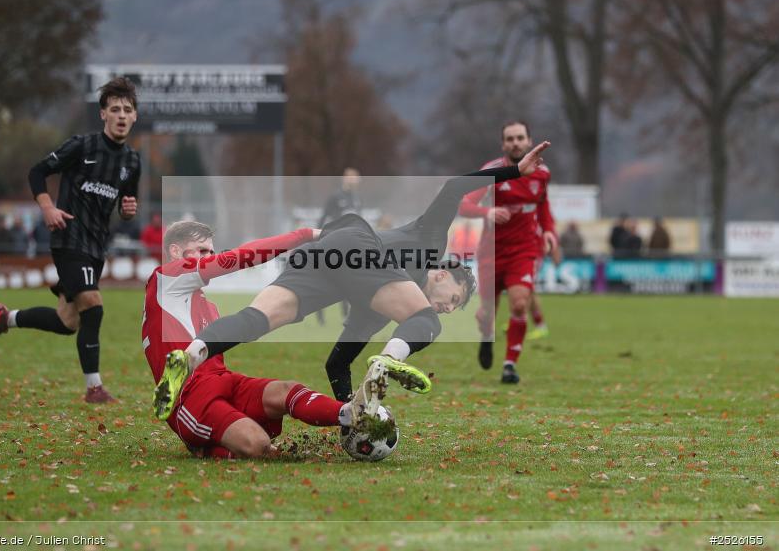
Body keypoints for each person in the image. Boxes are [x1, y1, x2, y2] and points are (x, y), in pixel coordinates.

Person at [155, 141, 549, 409]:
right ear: (444, 275)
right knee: (426, 321)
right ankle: (387, 362)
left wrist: (349, 412)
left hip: (325, 256)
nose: (449, 307)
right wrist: (514, 171)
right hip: (355, 241)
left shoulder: (377, 309)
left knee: (256, 320)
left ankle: (190, 355)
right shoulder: (430, 241)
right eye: (455, 299)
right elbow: (453, 188)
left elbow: (337, 364)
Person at [144, 220, 392, 458]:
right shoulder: (165, 279)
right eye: (201, 250)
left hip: (222, 380)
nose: (209, 256)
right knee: (259, 445)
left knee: (286, 390)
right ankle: (206, 448)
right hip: (189, 397)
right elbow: (242, 256)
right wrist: (306, 235)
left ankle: (350, 413)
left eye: (211, 250)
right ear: (175, 251)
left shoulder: (207, 306)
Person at [0, 77, 142, 403]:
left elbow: (125, 205)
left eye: (127, 110)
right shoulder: (82, 146)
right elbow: (37, 172)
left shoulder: (132, 162)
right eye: (115, 109)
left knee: (68, 321)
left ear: (135, 116)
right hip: (69, 238)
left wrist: (128, 211)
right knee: (93, 307)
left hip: (96, 246)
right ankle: (94, 389)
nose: (121, 115)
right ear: (103, 114)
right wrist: (47, 208)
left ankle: (5, 318)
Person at [459, 122, 557, 384]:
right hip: (491, 253)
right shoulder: (492, 172)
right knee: (487, 314)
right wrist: (487, 211)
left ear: (529, 141)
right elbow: (463, 204)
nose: (515, 143)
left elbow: (543, 205)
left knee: (520, 303)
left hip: (524, 250)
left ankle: (509, 365)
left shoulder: (542, 173)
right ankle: (486, 334)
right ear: (503, 144)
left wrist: (549, 231)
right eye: (510, 139)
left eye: (520, 138)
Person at [315, 168, 363, 325]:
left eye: (356, 178)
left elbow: (359, 221)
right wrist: (317, 238)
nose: (355, 180)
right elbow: (323, 217)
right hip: (335, 243)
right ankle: (320, 314)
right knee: (327, 278)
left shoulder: (357, 199)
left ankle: (345, 315)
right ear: (345, 178)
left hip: (351, 244)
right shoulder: (335, 197)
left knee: (347, 279)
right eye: (352, 177)